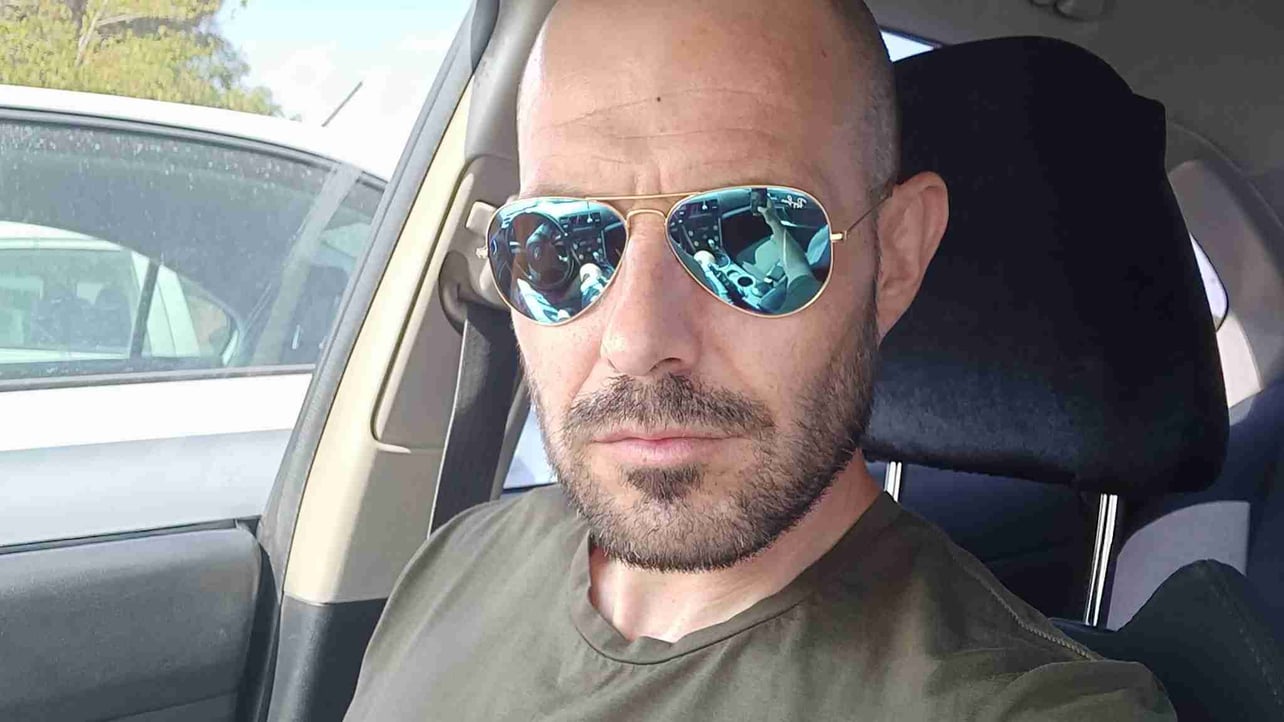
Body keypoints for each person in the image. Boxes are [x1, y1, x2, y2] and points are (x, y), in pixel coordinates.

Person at [343, 0, 1175, 719]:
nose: (635, 341)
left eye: (755, 238)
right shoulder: (453, 564)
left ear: (895, 257)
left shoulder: (1024, 704)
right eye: (560, 246)